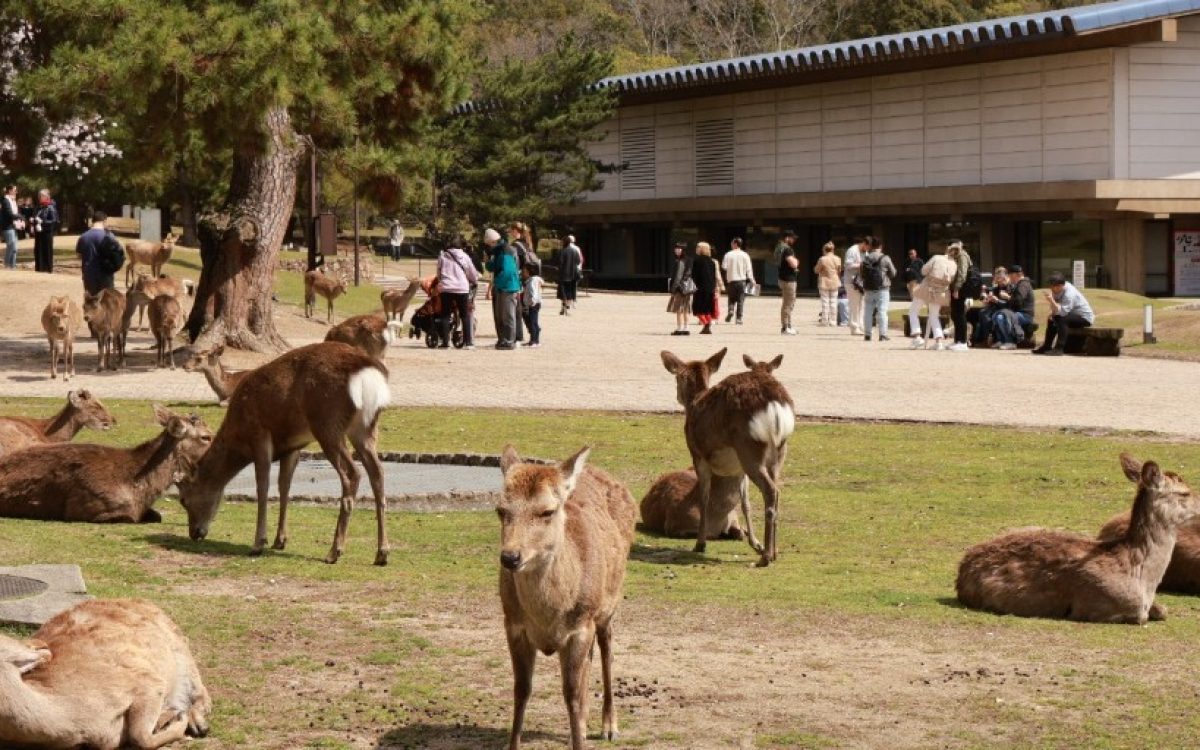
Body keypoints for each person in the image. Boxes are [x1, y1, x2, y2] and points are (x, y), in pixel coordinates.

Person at [1033, 272, 1094, 356]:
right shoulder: (1057, 290)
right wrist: (1052, 313)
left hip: (1084, 318)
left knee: (1061, 319)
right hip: (1071, 315)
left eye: (1052, 286)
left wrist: (1051, 301)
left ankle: (1059, 348)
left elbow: (1063, 312)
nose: (1051, 288)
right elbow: (1056, 310)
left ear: (1060, 286)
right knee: (1052, 319)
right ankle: (1046, 346)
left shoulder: (1069, 293)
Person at [436, 235, 479, 349]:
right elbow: (472, 272)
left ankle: (446, 342)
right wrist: (474, 281)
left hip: (447, 287)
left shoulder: (443, 256)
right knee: (464, 315)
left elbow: (439, 272)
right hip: (462, 288)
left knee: (445, 315)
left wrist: (441, 282)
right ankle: (468, 342)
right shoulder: (464, 256)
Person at [908, 251, 956, 350]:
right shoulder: (954, 264)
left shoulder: (937, 257)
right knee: (934, 316)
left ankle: (917, 336)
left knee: (913, 311)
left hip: (927, 288)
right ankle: (939, 342)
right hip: (940, 292)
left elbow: (923, 271)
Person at [484, 227, 520, 350]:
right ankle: (502, 339)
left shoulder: (506, 251)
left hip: (508, 287)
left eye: (489, 244)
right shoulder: (499, 251)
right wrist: (488, 262)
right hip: (502, 286)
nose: (489, 246)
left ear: (493, 241)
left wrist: (498, 283)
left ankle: (509, 340)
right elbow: (492, 267)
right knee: (500, 315)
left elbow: (508, 271)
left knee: (507, 315)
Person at [861, 237, 897, 342]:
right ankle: (883, 334)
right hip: (882, 288)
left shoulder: (866, 258)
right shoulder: (885, 258)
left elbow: (862, 273)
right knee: (882, 311)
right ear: (880, 246)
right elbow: (893, 273)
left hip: (868, 288)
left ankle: (867, 334)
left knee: (868, 311)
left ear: (871, 246)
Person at [991, 264, 1034, 350]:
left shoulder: (1023, 284)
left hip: (1025, 314)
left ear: (1017, 275)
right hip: (1016, 312)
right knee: (996, 315)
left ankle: (1010, 341)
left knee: (1001, 317)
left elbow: (1018, 301)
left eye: (1010, 276)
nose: (1009, 278)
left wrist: (1007, 297)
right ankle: (1002, 340)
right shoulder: (1018, 284)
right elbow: (1012, 303)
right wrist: (998, 301)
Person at [76, 211, 119, 295]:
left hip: (89, 274)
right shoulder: (109, 236)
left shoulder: (83, 237)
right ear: (104, 221)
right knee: (107, 302)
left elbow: (79, 255)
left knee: (92, 303)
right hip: (105, 275)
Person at [946, 240, 972, 351]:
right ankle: (957, 340)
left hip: (961, 288)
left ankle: (963, 341)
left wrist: (957, 288)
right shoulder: (955, 256)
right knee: (955, 315)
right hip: (954, 288)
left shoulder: (962, 256)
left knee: (960, 314)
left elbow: (962, 273)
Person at [721, 237, 754, 325]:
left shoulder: (728, 254)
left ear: (735, 244)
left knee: (731, 298)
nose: (731, 245)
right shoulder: (745, 255)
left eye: (732, 243)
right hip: (742, 281)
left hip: (731, 281)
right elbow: (749, 269)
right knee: (740, 300)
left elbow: (724, 267)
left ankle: (731, 310)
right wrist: (752, 280)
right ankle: (739, 318)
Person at [691, 242, 719, 335]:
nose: (696, 249)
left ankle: (706, 324)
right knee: (707, 309)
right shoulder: (712, 261)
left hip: (700, 288)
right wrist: (714, 288)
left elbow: (694, 275)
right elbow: (713, 276)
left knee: (698, 309)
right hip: (710, 288)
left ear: (702, 249)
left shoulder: (697, 260)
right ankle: (707, 325)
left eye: (698, 247)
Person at [667, 240, 693, 335]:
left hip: (679, 288)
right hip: (687, 288)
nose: (676, 250)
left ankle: (679, 328)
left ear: (683, 250)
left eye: (679, 249)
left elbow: (678, 276)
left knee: (679, 309)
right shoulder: (689, 260)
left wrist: (673, 289)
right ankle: (686, 327)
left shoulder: (679, 261)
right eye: (676, 248)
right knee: (685, 308)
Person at [843, 236, 868, 336]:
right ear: (864, 244)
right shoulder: (852, 250)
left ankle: (861, 325)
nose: (868, 250)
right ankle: (854, 327)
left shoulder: (865, 252)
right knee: (854, 305)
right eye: (867, 247)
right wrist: (861, 265)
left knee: (862, 305)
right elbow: (847, 265)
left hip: (861, 282)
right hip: (851, 281)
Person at [776, 229, 799, 335]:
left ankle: (788, 325)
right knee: (788, 303)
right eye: (792, 238)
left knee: (787, 303)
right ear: (787, 238)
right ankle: (785, 327)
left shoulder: (779, 247)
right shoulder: (788, 249)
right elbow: (793, 264)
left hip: (782, 278)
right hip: (789, 279)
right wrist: (797, 262)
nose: (793, 240)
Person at [813, 241, 841, 327]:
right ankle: (833, 321)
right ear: (833, 250)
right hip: (835, 280)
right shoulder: (838, 258)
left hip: (824, 281)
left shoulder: (822, 259)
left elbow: (816, 270)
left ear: (825, 250)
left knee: (825, 302)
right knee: (833, 302)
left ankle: (824, 321)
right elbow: (839, 270)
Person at [33, 188, 59, 273]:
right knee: (38, 249)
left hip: (47, 232)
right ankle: (39, 267)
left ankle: (48, 268)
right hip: (39, 232)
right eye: (39, 196)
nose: (40, 197)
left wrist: (43, 222)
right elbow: (35, 217)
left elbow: (54, 220)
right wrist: (33, 221)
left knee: (47, 250)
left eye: (42, 196)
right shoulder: (38, 207)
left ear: (47, 196)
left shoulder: (51, 206)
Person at [557, 234, 582, 315]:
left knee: (563, 292)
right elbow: (578, 261)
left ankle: (563, 307)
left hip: (563, 275)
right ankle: (567, 307)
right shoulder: (575, 251)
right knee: (570, 292)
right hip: (573, 275)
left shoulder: (562, 251)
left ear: (564, 242)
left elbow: (560, 263)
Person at [521, 262, 543, 348]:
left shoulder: (533, 281)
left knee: (533, 322)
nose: (523, 273)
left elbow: (533, 292)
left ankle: (535, 341)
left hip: (533, 304)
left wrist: (532, 302)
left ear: (530, 271)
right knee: (532, 321)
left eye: (524, 271)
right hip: (533, 303)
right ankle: (533, 340)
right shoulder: (532, 280)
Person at [1, 185, 19, 269]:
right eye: (15, 190)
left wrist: (19, 218)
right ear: (10, 191)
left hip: (14, 226)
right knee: (11, 246)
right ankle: (7, 264)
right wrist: (19, 216)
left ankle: (13, 266)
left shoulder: (13, 201)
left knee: (15, 248)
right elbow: (9, 214)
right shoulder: (5, 201)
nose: (16, 192)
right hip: (7, 227)